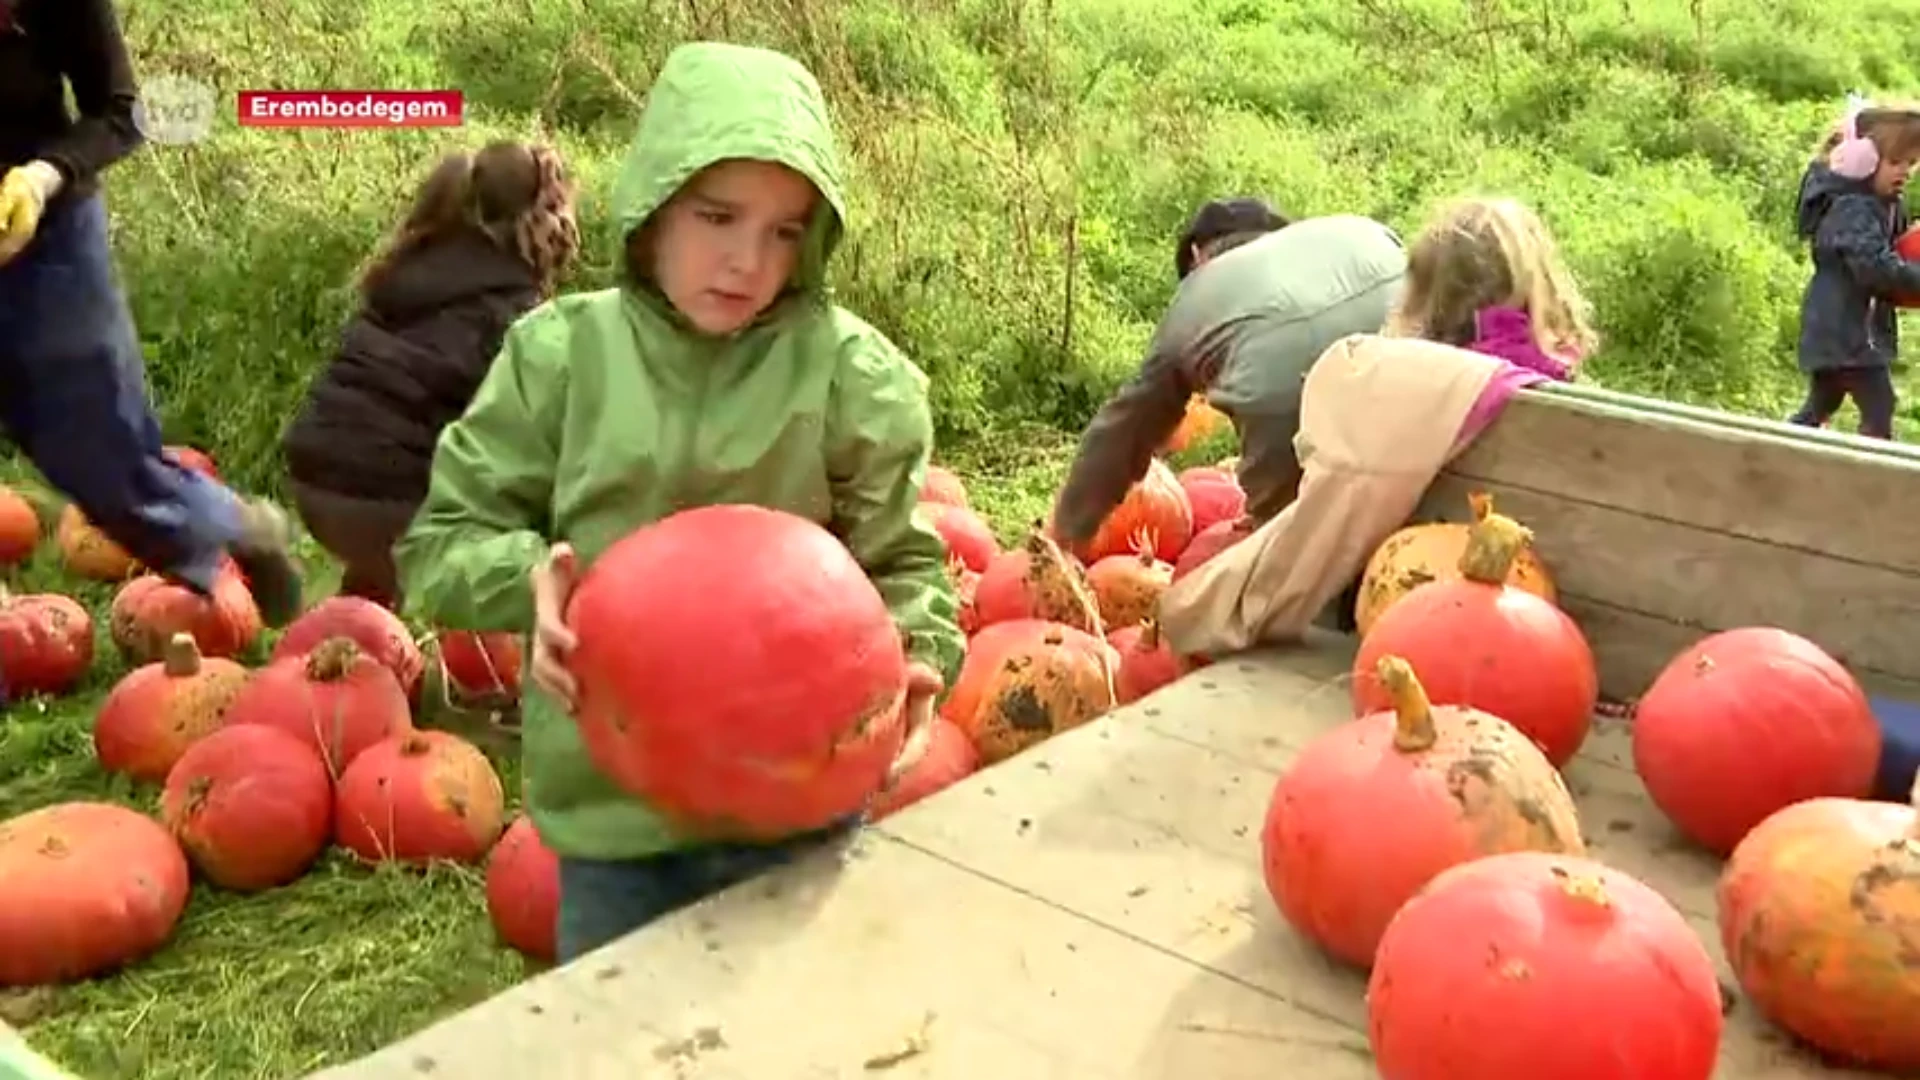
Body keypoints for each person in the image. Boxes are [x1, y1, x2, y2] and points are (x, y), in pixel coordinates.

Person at [393, 41, 966, 963]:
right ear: (653, 206)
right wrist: (533, 583)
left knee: (796, 1029)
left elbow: (902, 561)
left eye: (786, 231)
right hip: (617, 813)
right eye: (719, 215)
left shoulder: (853, 377)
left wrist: (920, 650)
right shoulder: (559, 359)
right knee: (625, 1040)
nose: (747, 260)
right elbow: (442, 545)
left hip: (802, 799)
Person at [1157, 194, 1599, 657]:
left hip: (1396, 625)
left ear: (1421, 294)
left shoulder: (1390, 386)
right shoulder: (1560, 392)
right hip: (1539, 633)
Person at [0, 0, 302, 625]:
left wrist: (40, 177)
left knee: (100, 458)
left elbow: (120, 111)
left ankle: (233, 528)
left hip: (44, 228)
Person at [281, 140, 580, 610]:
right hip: (385, 509)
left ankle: (356, 624)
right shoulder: (514, 311)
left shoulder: (408, 265)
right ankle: (466, 656)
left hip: (313, 483)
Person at [1049, 199, 1408, 553]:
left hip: (1283, 391)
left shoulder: (1196, 295)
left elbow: (1125, 431)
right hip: (1418, 355)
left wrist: (1067, 532)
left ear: (1196, 256)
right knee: (1407, 498)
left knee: (1289, 555)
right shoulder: (1350, 229)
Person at [1788, 96, 1920, 440]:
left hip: (1844, 330)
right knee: (1880, 404)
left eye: (1911, 162)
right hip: (1846, 332)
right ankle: (1877, 479)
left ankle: (1784, 449)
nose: (1905, 171)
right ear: (1862, 161)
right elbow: (1875, 267)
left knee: (1822, 404)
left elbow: (1897, 248)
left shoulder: (1884, 205)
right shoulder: (1853, 209)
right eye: (1895, 162)